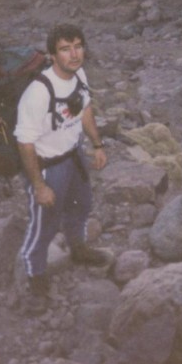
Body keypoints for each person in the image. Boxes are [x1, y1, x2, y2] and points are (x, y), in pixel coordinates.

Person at [15, 22, 108, 311]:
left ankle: (77, 248)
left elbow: (85, 109)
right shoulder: (38, 92)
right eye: (65, 49)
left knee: (81, 205)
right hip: (49, 165)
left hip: (74, 155)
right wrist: (39, 186)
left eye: (78, 46)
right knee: (45, 222)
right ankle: (35, 273)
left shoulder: (78, 74)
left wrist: (98, 144)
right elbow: (25, 143)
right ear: (53, 55)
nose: (74, 54)